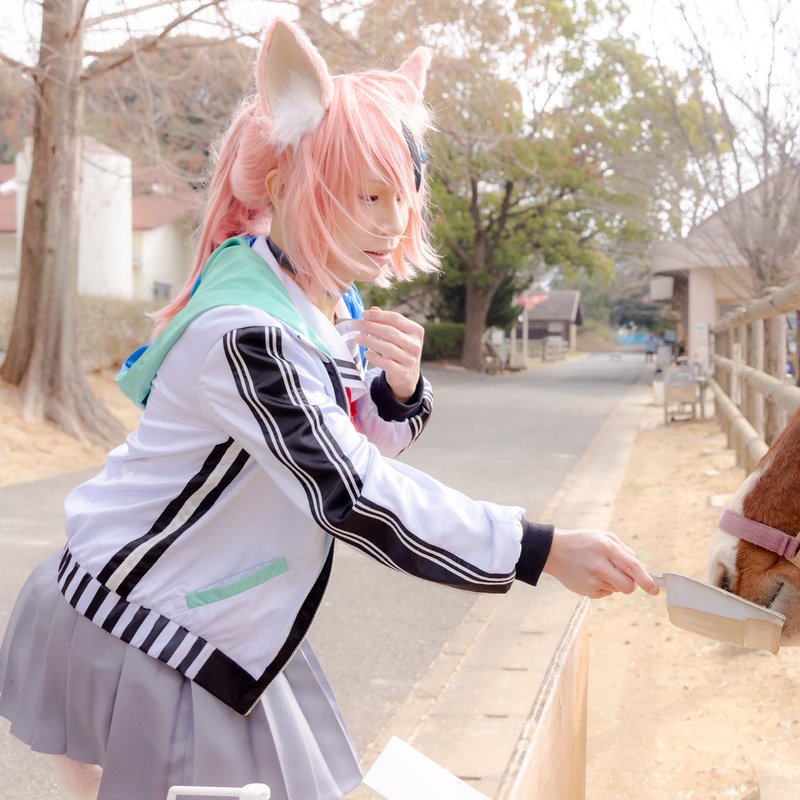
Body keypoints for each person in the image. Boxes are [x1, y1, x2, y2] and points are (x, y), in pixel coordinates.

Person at [0, 19, 657, 800]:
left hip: (219, 610)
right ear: (283, 186)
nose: (391, 225)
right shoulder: (249, 334)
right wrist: (534, 548)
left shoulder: (310, 292)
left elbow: (340, 444)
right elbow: (349, 491)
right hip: (144, 622)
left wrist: (399, 393)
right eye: (368, 197)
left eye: (402, 200)